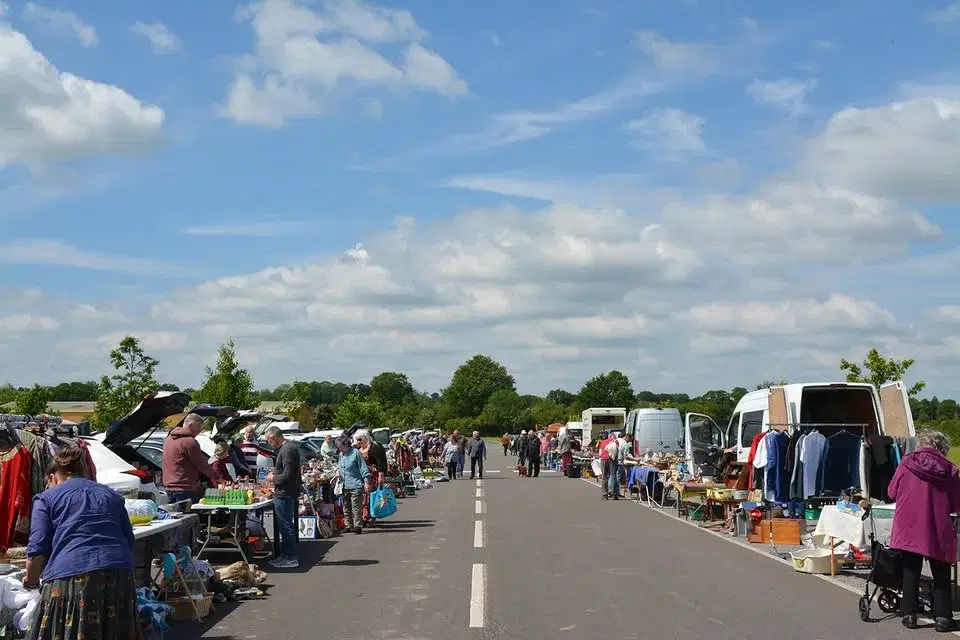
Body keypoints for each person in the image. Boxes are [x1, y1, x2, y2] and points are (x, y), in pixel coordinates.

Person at [25, 448, 138, 640]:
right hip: (120, 575)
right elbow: (128, 539)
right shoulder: (111, 495)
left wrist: (30, 581)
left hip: (73, 577)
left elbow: (37, 551)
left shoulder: (46, 499)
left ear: (52, 477)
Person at [888, 429, 960, 632]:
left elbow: (891, 491)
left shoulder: (907, 463)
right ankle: (943, 618)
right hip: (938, 526)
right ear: (942, 447)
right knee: (941, 574)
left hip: (909, 524)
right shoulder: (950, 470)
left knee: (910, 571)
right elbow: (957, 503)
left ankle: (909, 615)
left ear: (921, 444)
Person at [163, 413, 221, 504]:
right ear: (190, 425)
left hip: (169, 488)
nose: (199, 431)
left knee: (175, 516)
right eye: (198, 428)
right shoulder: (190, 442)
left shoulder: (168, 440)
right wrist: (218, 478)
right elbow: (202, 464)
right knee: (187, 517)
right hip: (185, 488)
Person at [264, 426, 301, 568]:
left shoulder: (287, 450)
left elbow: (287, 474)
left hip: (285, 493)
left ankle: (291, 557)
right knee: (284, 525)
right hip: (285, 492)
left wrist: (273, 478)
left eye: (269, 440)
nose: (269, 443)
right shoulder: (287, 449)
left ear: (273, 437)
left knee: (286, 526)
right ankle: (285, 555)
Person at [336, 436, 369, 534]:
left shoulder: (356, 453)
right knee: (346, 506)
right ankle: (348, 525)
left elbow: (363, 468)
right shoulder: (341, 455)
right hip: (344, 485)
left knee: (356, 507)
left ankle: (357, 526)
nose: (339, 449)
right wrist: (338, 473)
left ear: (346, 444)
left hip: (356, 484)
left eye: (340, 446)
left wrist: (366, 482)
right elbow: (340, 467)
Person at [599, 432, 617, 499]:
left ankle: (604, 494)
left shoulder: (603, 442)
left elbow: (600, 453)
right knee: (613, 475)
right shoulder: (615, 442)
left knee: (604, 476)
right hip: (612, 459)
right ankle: (614, 494)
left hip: (604, 459)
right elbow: (616, 451)